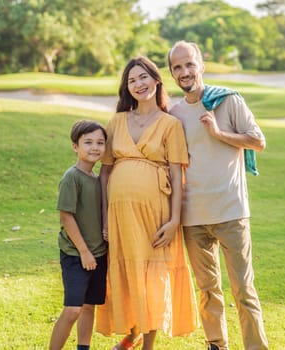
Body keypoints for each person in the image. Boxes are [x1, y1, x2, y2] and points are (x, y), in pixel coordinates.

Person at [167, 41, 269, 350]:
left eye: (189, 64)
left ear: (202, 65)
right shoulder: (174, 114)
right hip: (193, 216)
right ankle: (216, 344)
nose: (185, 72)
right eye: (177, 67)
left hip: (231, 211)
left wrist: (219, 134)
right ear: (172, 73)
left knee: (243, 289)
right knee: (208, 289)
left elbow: (258, 141)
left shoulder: (227, 100)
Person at [95, 56, 198, 350]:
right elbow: (104, 175)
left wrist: (174, 220)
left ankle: (148, 345)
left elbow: (178, 177)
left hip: (156, 213)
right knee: (127, 275)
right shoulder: (116, 122)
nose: (138, 84)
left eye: (143, 77)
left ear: (156, 80)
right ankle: (132, 333)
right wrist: (104, 218)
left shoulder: (170, 124)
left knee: (152, 274)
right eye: (132, 80)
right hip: (118, 214)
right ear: (127, 88)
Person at [49, 120, 109, 350]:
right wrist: (84, 252)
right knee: (73, 309)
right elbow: (66, 216)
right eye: (88, 142)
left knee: (88, 306)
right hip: (76, 255)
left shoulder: (96, 178)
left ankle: (83, 347)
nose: (95, 147)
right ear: (75, 146)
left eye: (100, 143)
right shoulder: (71, 178)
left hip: (98, 254)